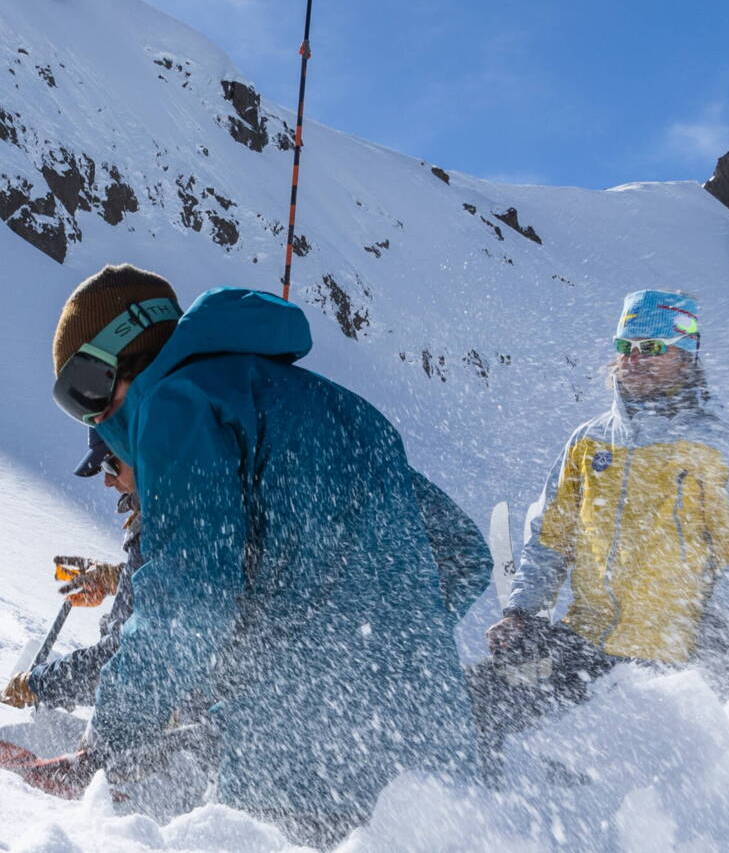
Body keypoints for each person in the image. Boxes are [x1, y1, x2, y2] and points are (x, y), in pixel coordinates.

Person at [46, 264, 480, 847]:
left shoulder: (174, 404)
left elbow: (190, 599)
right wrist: (388, 643)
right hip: (434, 755)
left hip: (301, 761)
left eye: (85, 395)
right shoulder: (336, 406)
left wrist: (108, 744)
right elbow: (463, 552)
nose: (96, 420)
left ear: (117, 361)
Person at [474, 290, 729, 775]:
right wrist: (523, 611)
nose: (635, 358)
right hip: (585, 644)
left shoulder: (717, 447)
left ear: (687, 354)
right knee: (473, 703)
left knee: (620, 775)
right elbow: (550, 536)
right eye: (626, 346)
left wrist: (721, 633)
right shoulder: (590, 441)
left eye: (653, 347)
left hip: (673, 659)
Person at [1, 430, 144, 709]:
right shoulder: (179, 508)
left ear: (139, 456)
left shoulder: (163, 519)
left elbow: (123, 661)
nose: (106, 480)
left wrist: (38, 685)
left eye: (110, 465)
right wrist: (118, 578)